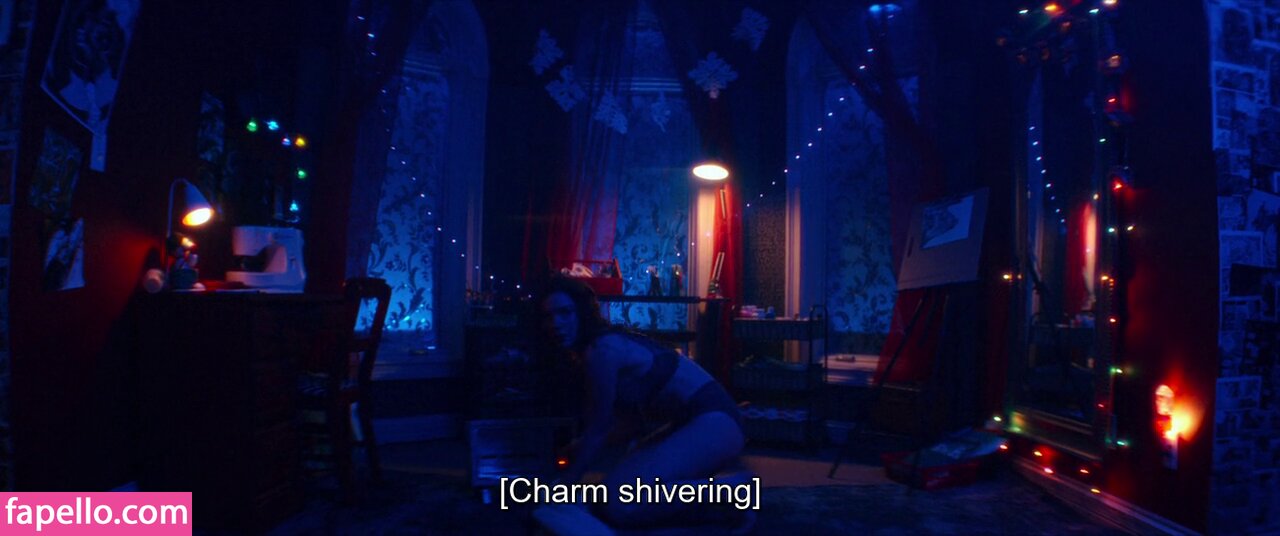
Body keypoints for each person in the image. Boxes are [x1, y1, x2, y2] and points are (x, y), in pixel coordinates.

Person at [538, 276, 750, 529]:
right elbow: (630, 425)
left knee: (621, 502)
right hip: (693, 425)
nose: (556, 323)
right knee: (614, 495)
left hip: (716, 423)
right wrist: (579, 447)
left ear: (582, 313)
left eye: (565, 313)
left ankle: (728, 493)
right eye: (548, 316)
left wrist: (569, 480)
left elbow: (599, 426)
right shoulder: (597, 348)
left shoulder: (601, 350)